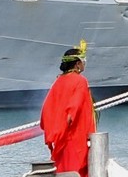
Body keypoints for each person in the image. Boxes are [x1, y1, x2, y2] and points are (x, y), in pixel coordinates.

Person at [40, 47, 96, 177]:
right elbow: (73, 109)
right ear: (77, 63)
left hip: (61, 139)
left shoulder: (58, 82)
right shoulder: (81, 81)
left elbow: (45, 113)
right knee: (78, 171)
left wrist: (56, 130)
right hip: (76, 138)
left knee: (63, 171)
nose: (84, 64)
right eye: (83, 60)